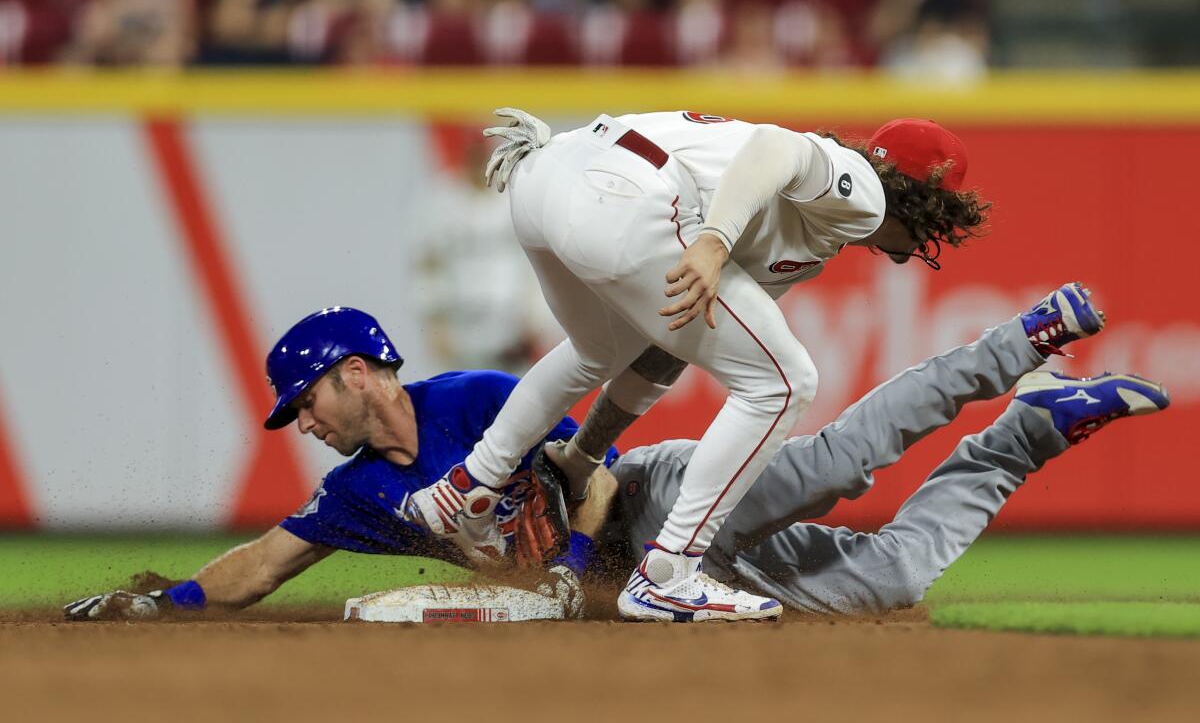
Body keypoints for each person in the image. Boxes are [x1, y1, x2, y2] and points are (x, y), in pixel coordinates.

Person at [63, 286, 1171, 622]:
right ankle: (1034, 428)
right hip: (648, 576)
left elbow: (588, 477)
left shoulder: (476, 399)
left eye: (300, 401)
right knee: (889, 580)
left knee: (832, 463)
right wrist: (166, 608)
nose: (296, 422)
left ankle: (1011, 345)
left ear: (358, 372)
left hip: (656, 501)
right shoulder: (360, 491)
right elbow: (271, 554)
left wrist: (579, 575)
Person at [405, 107, 991, 622]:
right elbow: (776, 147)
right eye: (940, 217)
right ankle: (670, 576)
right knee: (785, 385)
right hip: (629, 195)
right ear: (922, 199)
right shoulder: (865, 193)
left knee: (598, 350)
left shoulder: (807, 240)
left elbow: (664, 349)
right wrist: (712, 239)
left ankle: (465, 488)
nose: (930, 238)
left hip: (548, 181)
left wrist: (583, 458)